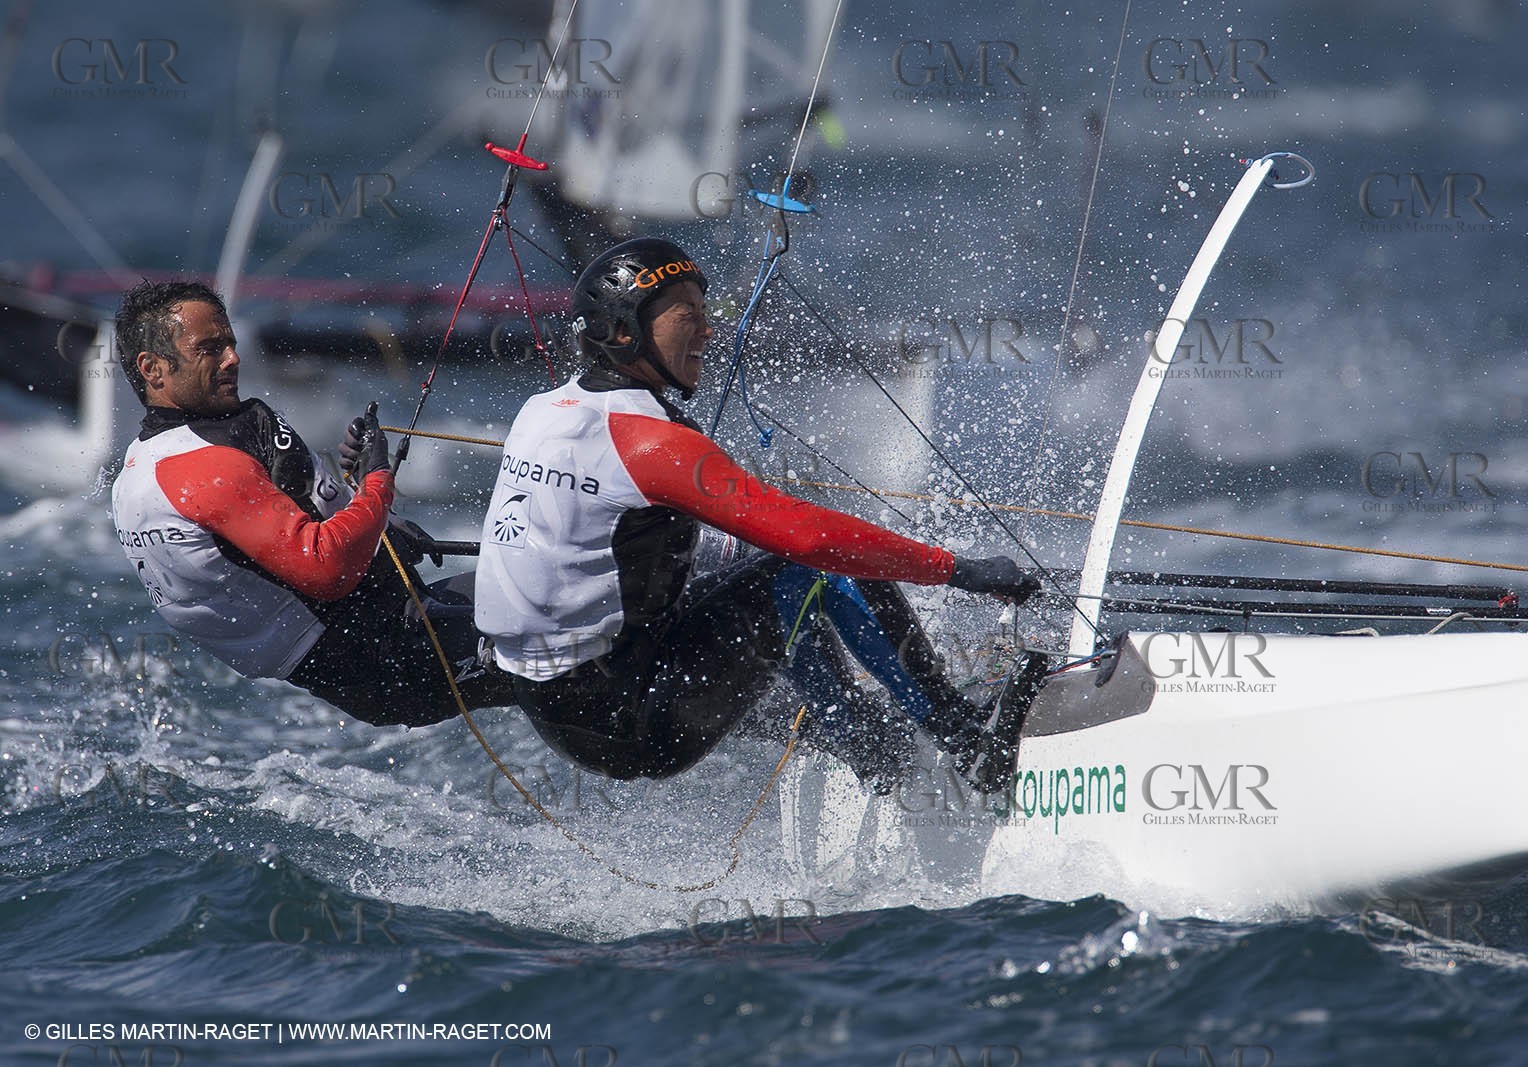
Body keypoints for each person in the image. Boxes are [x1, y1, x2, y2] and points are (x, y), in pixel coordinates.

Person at [474, 238, 1048, 795]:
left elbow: (597, 549)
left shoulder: (543, 411)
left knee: (761, 568)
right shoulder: (650, 442)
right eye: (687, 316)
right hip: (636, 720)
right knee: (813, 571)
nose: (708, 331)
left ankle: (867, 744)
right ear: (623, 333)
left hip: (562, 711)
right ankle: (969, 743)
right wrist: (958, 571)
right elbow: (811, 538)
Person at [109, 279, 512, 725]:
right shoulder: (202, 470)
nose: (233, 358)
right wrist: (377, 484)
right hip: (393, 660)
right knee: (573, 639)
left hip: (401, 615)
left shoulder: (160, 456)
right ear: (153, 368)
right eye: (209, 348)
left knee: (548, 584)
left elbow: (277, 532)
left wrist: (366, 506)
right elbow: (326, 566)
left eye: (230, 343)